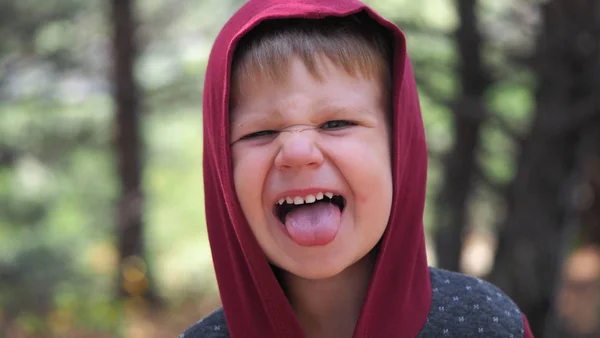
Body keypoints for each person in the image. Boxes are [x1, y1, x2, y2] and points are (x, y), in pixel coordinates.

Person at [180, 0, 534, 337]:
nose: (298, 151)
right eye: (261, 132)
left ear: (400, 151)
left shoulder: (486, 326)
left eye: (336, 123)